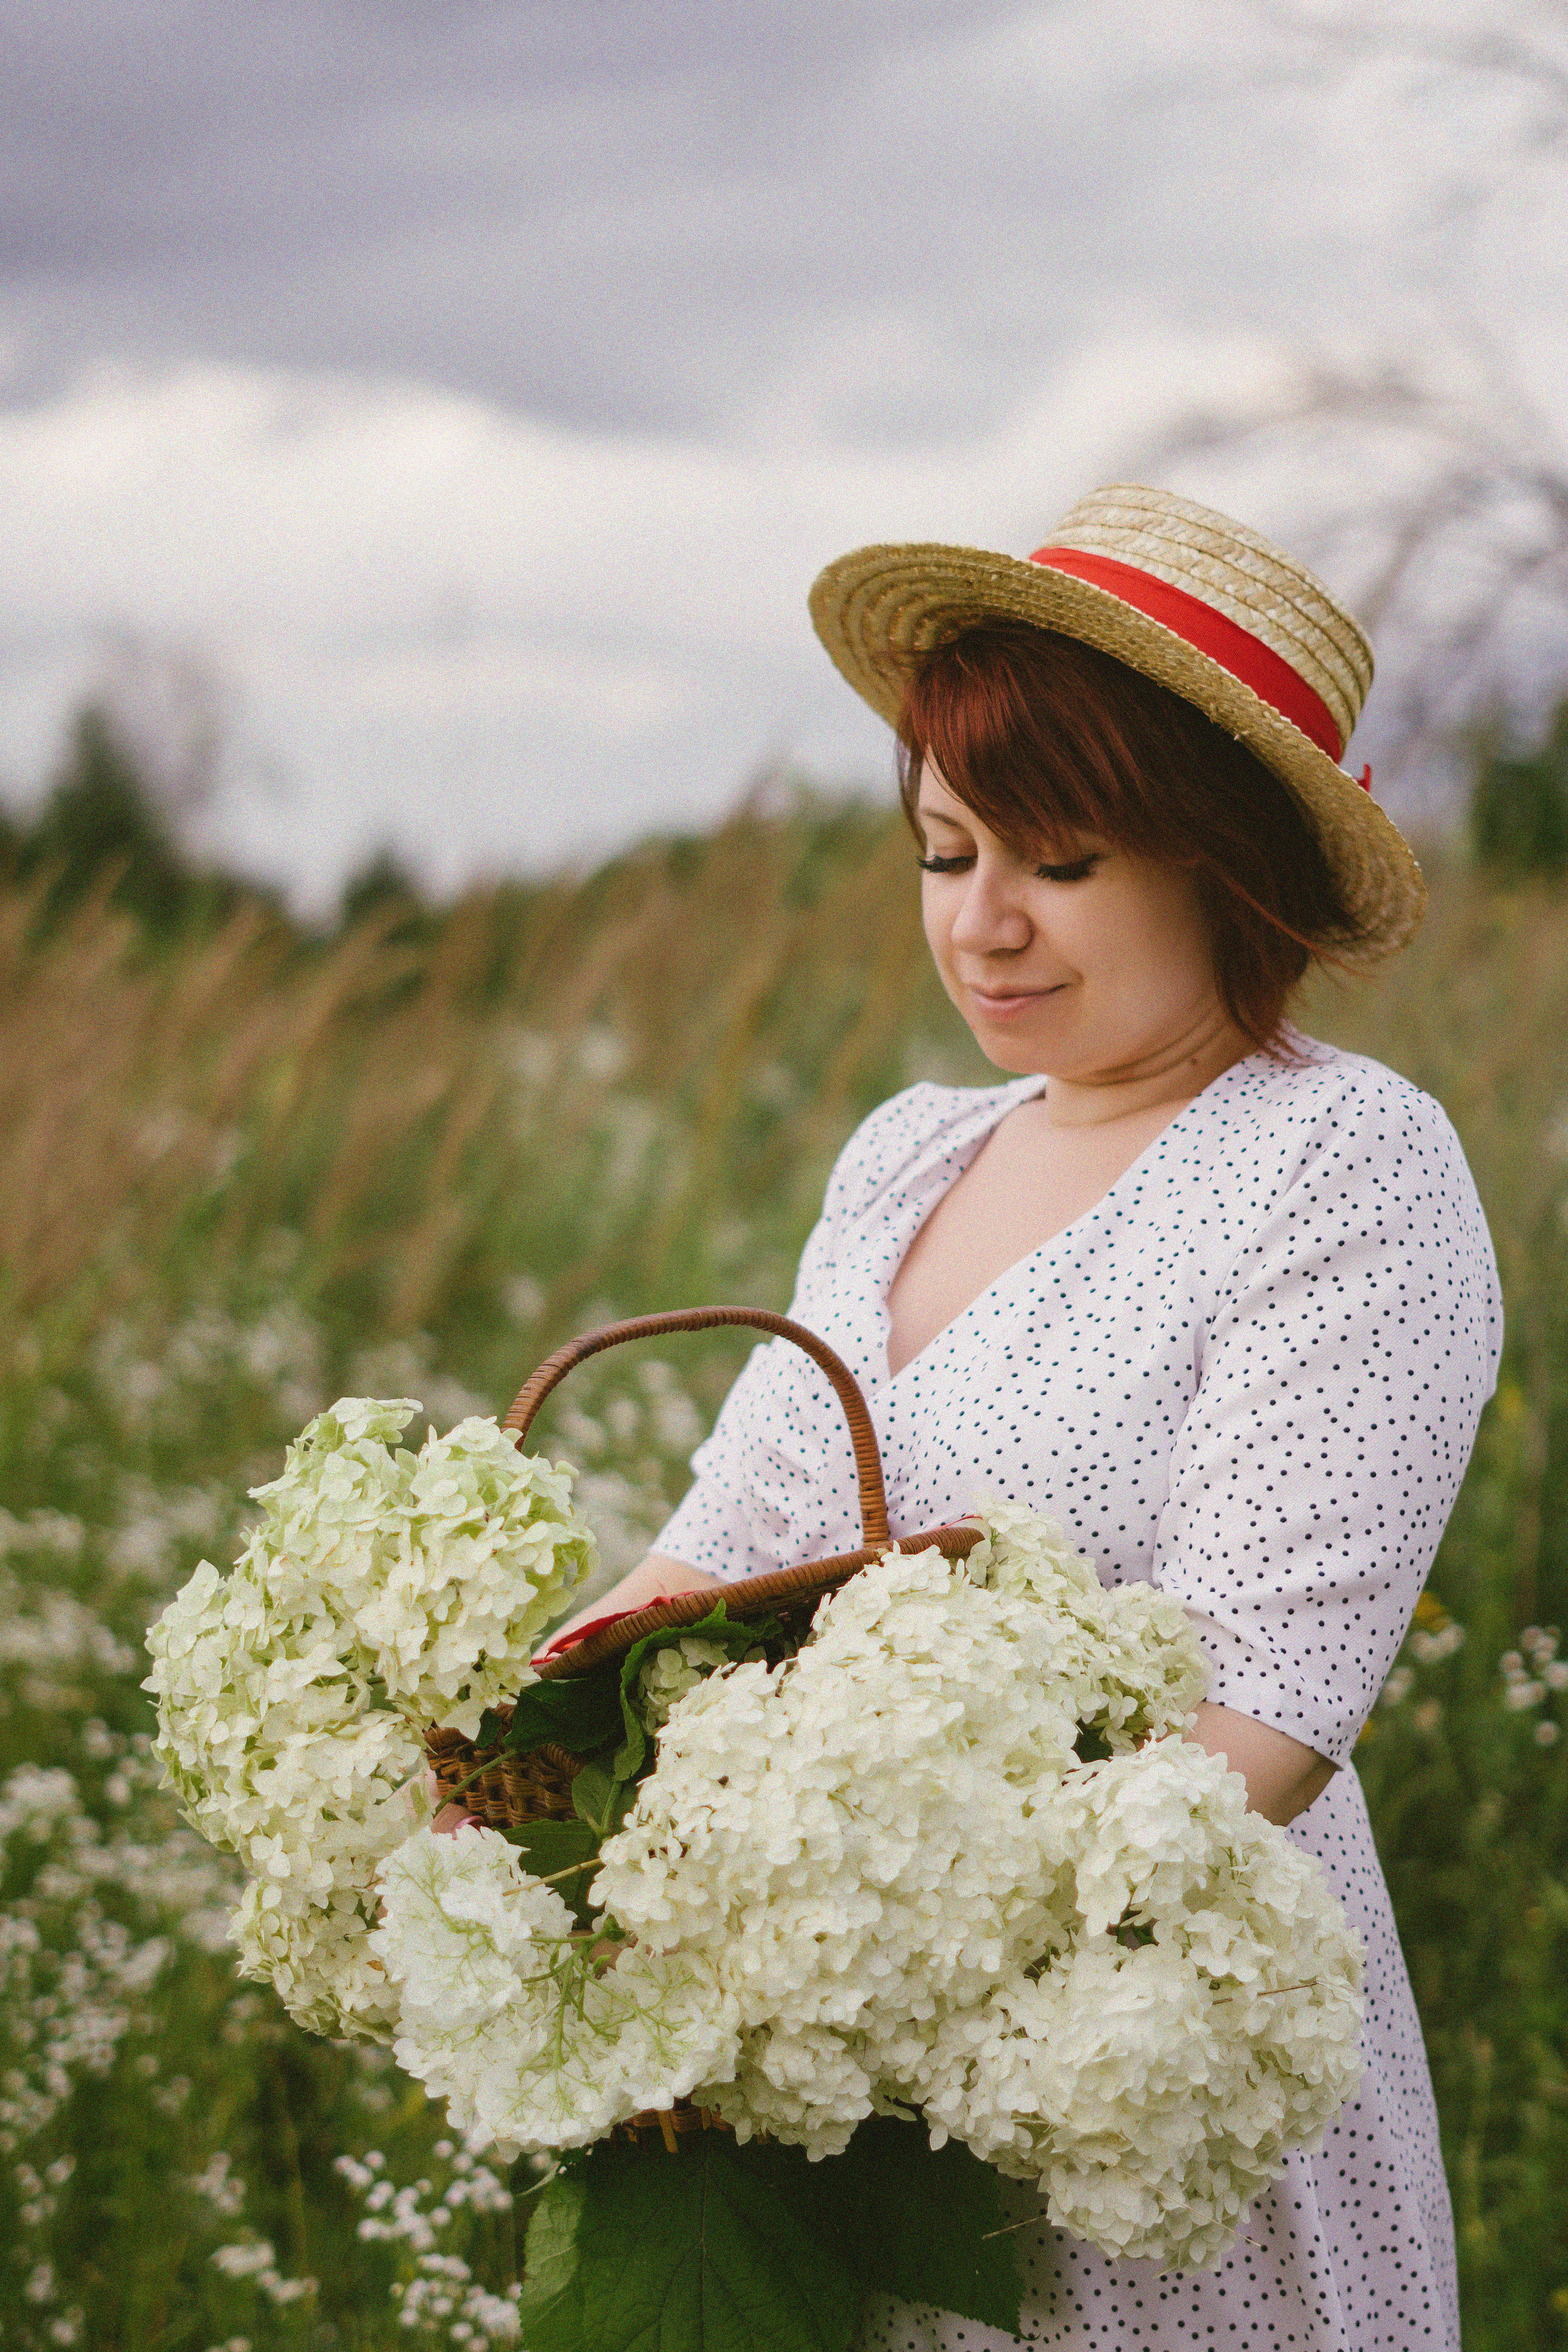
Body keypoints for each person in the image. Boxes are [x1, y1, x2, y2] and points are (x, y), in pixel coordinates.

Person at [546, 483, 1503, 2350]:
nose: (982, 926)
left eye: (1058, 864)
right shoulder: (909, 1156)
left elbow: (1272, 1715)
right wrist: (539, 1752)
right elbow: (730, 1525)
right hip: (854, 2102)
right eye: (943, 852)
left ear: (1222, 862)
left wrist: (896, 1952)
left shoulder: (1339, 1160)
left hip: (1143, 2078)